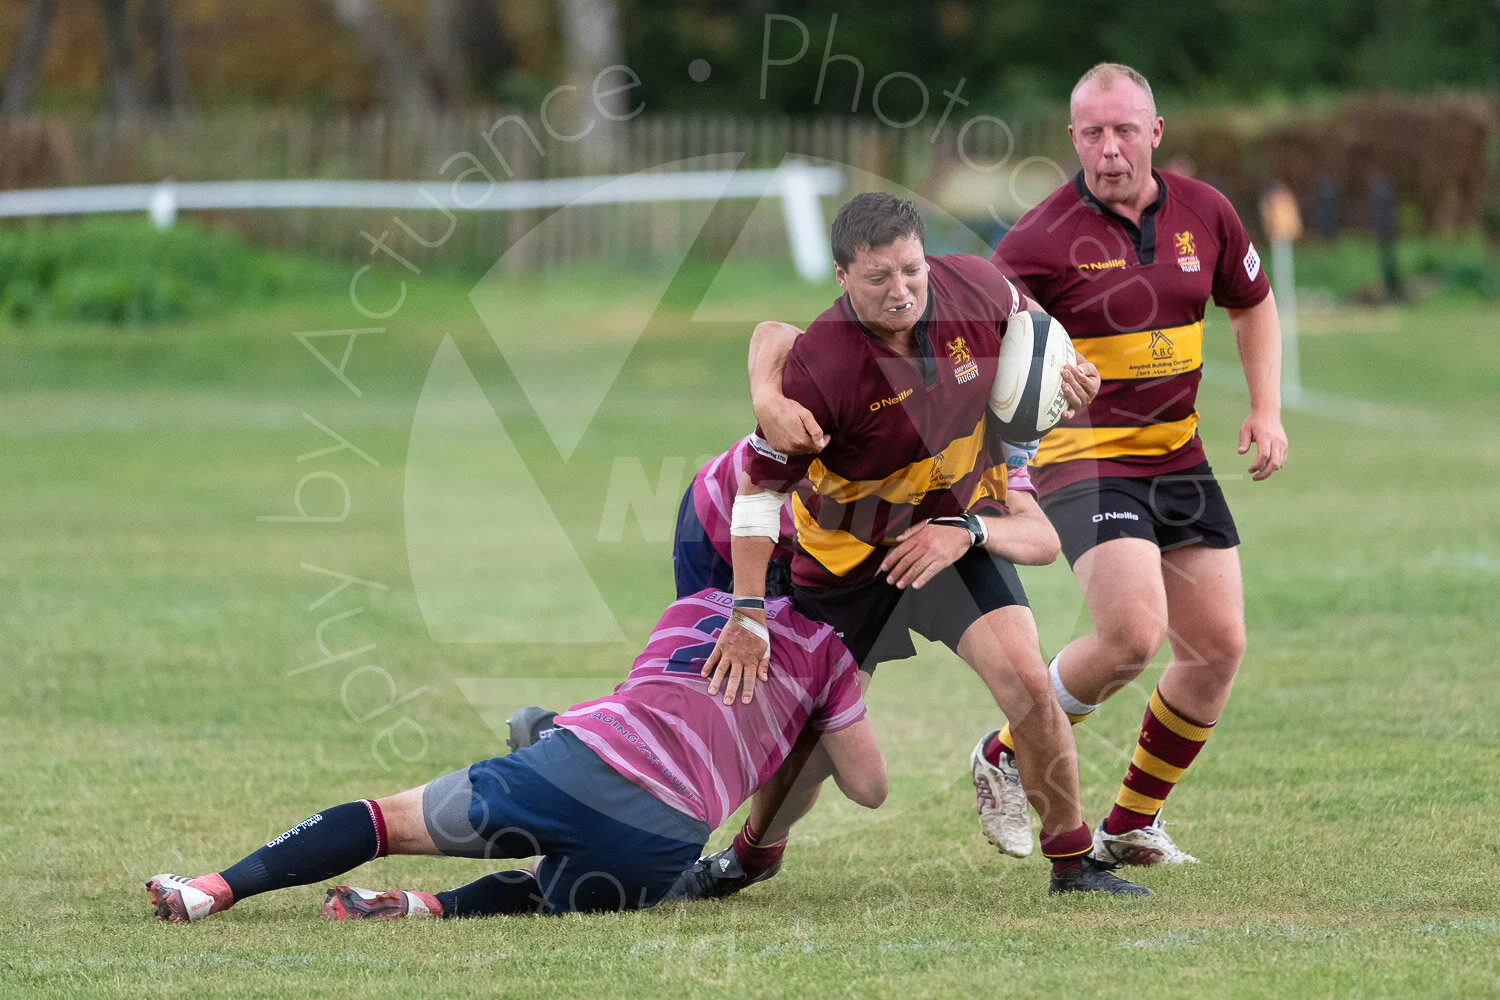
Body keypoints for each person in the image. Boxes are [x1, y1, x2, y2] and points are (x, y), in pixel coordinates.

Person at [674, 191, 1145, 900]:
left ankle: (1074, 864)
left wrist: (1068, 379)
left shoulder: (976, 288)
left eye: (911, 271)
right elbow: (759, 493)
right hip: (849, 564)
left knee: (1025, 683)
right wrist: (747, 614)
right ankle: (749, 856)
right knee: (814, 747)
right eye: (878, 279)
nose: (902, 292)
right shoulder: (821, 369)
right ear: (842, 279)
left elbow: (1036, 329)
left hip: (952, 532)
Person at [146, 589, 883, 923]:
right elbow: (872, 788)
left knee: (385, 821)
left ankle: (211, 889)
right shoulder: (833, 661)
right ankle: (419, 909)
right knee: (556, 885)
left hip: (582, 765)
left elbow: (651, 701)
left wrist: (554, 730)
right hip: (668, 839)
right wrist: (812, 735)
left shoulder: (690, 608)